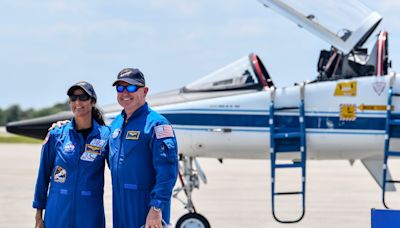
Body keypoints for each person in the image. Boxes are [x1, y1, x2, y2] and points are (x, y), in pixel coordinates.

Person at [33, 81, 110, 228]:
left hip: (89, 213)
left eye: (83, 97)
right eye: (73, 98)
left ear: (92, 101)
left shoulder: (106, 136)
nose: (78, 102)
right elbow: (42, 176)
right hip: (58, 211)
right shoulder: (57, 134)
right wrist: (38, 216)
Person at [109, 68, 178, 228]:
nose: (125, 92)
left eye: (131, 87)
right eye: (120, 88)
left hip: (146, 208)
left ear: (145, 91)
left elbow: (168, 171)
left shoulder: (157, 124)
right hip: (120, 205)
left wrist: (156, 207)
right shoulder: (115, 124)